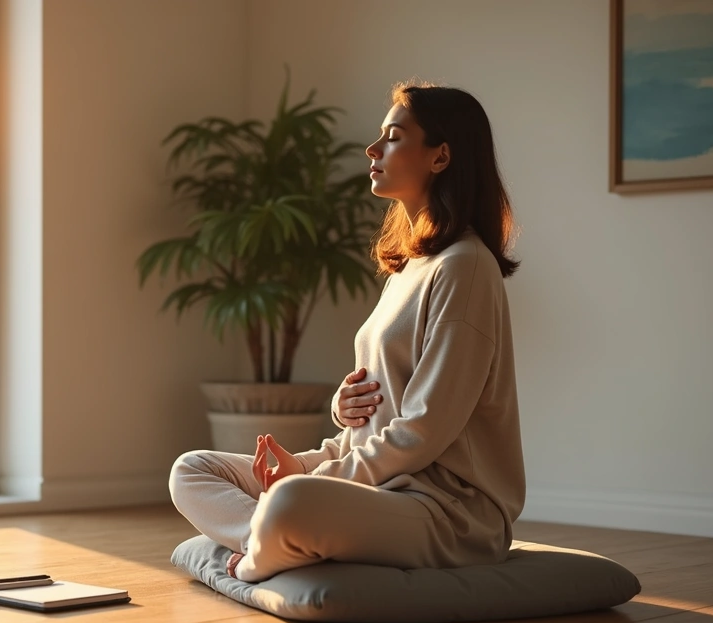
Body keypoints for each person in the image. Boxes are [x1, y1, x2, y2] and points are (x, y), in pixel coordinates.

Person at [168, 80, 526, 583]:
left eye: (394, 137)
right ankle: (265, 539)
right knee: (192, 468)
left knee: (293, 498)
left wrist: (311, 478)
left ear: (440, 157)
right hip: (372, 480)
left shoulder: (464, 266)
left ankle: (265, 543)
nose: (373, 149)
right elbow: (384, 406)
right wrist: (345, 410)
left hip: (445, 510)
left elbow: (423, 430)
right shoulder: (410, 268)